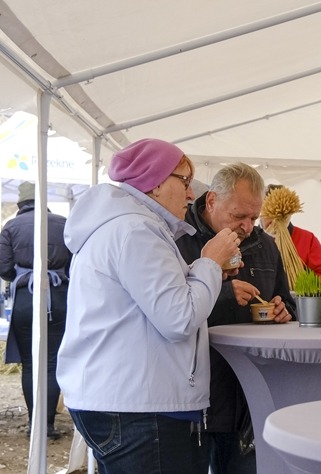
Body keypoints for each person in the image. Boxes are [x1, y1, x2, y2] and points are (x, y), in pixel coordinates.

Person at [56, 138, 241, 474]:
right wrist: (209, 263)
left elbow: (155, 299)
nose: (191, 194)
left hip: (128, 399)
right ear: (155, 183)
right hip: (141, 409)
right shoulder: (135, 230)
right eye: (185, 182)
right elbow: (179, 318)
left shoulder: (126, 225)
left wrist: (205, 272)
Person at [176, 163, 296, 474]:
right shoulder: (178, 240)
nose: (246, 226)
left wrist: (284, 310)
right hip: (192, 398)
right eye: (238, 216)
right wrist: (224, 292)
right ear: (212, 201)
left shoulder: (265, 245)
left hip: (248, 398)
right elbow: (171, 312)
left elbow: (287, 300)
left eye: (253, 217)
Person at [0, 181, 71, 440]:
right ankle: (49, 425)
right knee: (52, 363)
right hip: (60, 297)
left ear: (21, 204)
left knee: (31, 365)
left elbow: (4, 267)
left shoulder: (10, 227)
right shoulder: (64, 223)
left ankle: (34, 424)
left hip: (25, 298)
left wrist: (23, 275)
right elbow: (75, 265)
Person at [260, 184, 321, 282]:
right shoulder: (249, 240)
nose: (275, 221)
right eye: (269, 214)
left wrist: (297, 276)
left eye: (281, 216)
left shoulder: (308, 239)